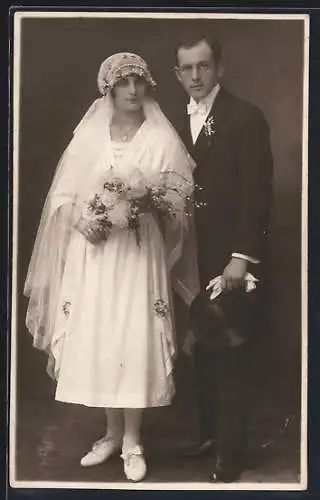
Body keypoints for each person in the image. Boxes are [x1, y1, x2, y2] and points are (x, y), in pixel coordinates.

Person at [24, 52, 199, 482]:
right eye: (123, 84)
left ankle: (134, 440)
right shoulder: (90, 137)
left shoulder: (160, 138)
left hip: (140, 256)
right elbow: (62, 197)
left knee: (133, 335)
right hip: (98, 255)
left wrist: (146, 205)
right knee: (103, 335)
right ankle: (110, 433)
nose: (133, 91)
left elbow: (180, 199)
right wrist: (83, 220)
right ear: (109, 90)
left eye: (139, 82)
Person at [174, 32, 273, 482]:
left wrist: (241, 258)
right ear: (178, 74)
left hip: (229, 254)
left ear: (220, 69)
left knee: (230, 350)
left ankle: (230, 453)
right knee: (201, 346)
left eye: (204, 66)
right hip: (191, 252)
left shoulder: (245, 117)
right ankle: (210, 435)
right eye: (188, 68)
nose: (196, 76)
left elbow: (257, 194)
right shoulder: (176, 121)